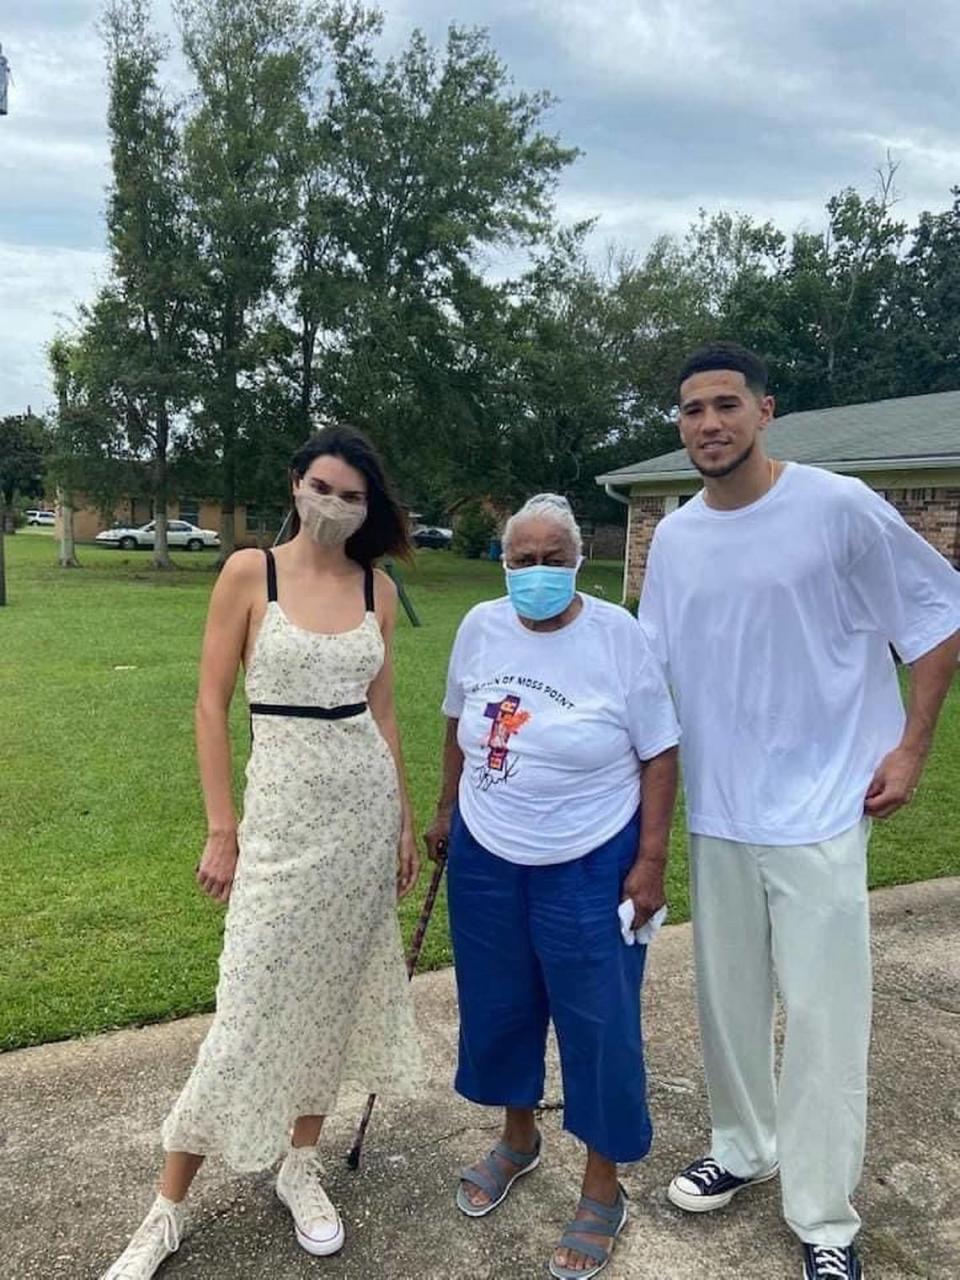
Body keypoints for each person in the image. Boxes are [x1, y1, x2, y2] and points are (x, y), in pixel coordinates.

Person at [638, 342, 960, 1280]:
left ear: (765, 410)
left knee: (824, 1016)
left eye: (726, 404)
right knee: (726, 1003)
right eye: (693, 410)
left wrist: (911, 744)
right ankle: (743, 1146)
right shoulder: (678, 538)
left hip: (823, 804)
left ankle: (824, 1216)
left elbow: (938, 619)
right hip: (720, 809)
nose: (709, 424)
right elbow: (652, 677)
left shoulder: (837, 507)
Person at [101, 425, 423, 1280]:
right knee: (246, 1012)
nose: (335, 507)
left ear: (369, 507)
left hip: (360, 817)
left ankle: (299, 1163)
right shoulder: (252, 572)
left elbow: (383, 714)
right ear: (295, 485)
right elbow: (210, 703)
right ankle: (167, 1209)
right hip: (279, 824)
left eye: (353, 497)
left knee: (331, 1001)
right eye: (323, 488)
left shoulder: (377, 589)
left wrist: (401, 820)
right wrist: (221, 828)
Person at [425, 494, 680, 1280]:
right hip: (488, 853)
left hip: (590, 859)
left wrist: (650, 863)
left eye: (551, 558)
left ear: (576, 562)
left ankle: (603, 1188)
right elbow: (457, 722)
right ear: (505, 565)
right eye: (521, 559)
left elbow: (661, 751)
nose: (536, 572)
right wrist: (443, 812)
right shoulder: (480, 625)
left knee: (598, 1021)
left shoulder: (617, 635)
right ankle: (518, 1138)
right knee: (500, 1004)